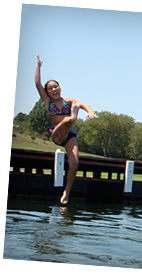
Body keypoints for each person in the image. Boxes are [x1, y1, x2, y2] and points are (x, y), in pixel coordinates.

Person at [35, 54, 98, 205]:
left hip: (69, 136)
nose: (53, 89)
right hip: (57, 134)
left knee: (75, 163)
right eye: (50, 89)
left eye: (55, 86)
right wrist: (38, 66)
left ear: (60, 88)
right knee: (66, 121)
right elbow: (37, 83)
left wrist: (90, 112)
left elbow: (84, 104)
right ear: (48, 92)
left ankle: (66, 193)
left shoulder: (68, 101)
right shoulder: (47, 101)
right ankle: (72, 118)